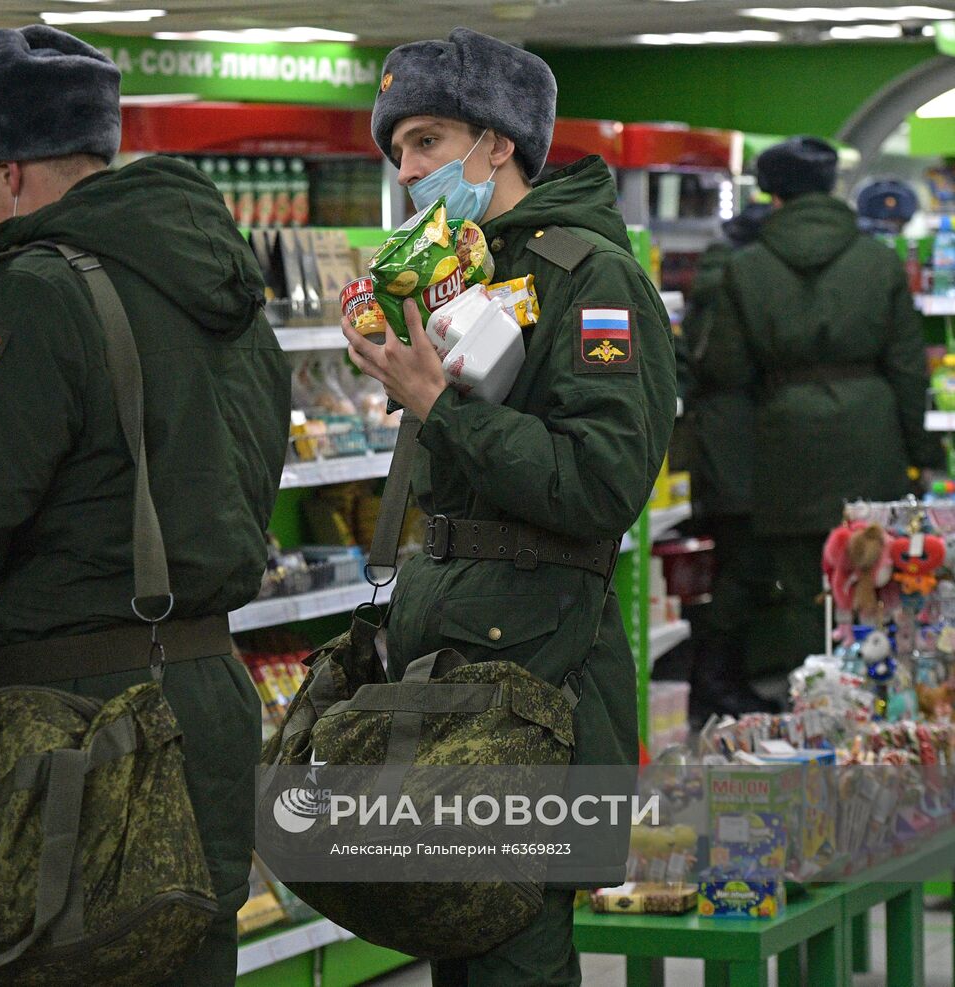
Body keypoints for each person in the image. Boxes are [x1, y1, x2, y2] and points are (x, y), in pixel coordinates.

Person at [0, 26, 291, 987]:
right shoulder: (226, 287)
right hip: (204, 699)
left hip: (76, 720)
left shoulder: (39, 290)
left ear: (6, 170)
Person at [345, 28, 677, 987]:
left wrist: (440, 408)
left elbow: (602, 482)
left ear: (501, 143)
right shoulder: (460, 272)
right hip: (460, 650)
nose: (409, 171)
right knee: (467, 940)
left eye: (429, 142)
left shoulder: (593, 277)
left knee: (510, 953)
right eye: (399, 150)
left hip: (541, 680)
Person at [700, 136, 942, 679]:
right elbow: (907, 368)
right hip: (871, 443)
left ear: (774, 194)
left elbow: (727, 374)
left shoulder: (747, 268)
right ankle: (880, 710)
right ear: (832, 187)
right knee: (875, 581)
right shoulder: (878, 263)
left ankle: (812, 707)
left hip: (786, 450)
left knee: (804, 592)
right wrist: (923, 455)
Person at [678, 202, 782, 723]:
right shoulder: (736, 281)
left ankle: (716, 682)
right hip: (732, 439)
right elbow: (725, 362)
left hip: (720, 435)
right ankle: (717, 685)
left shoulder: (716, 273)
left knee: (730, 566)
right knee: (736, 568)